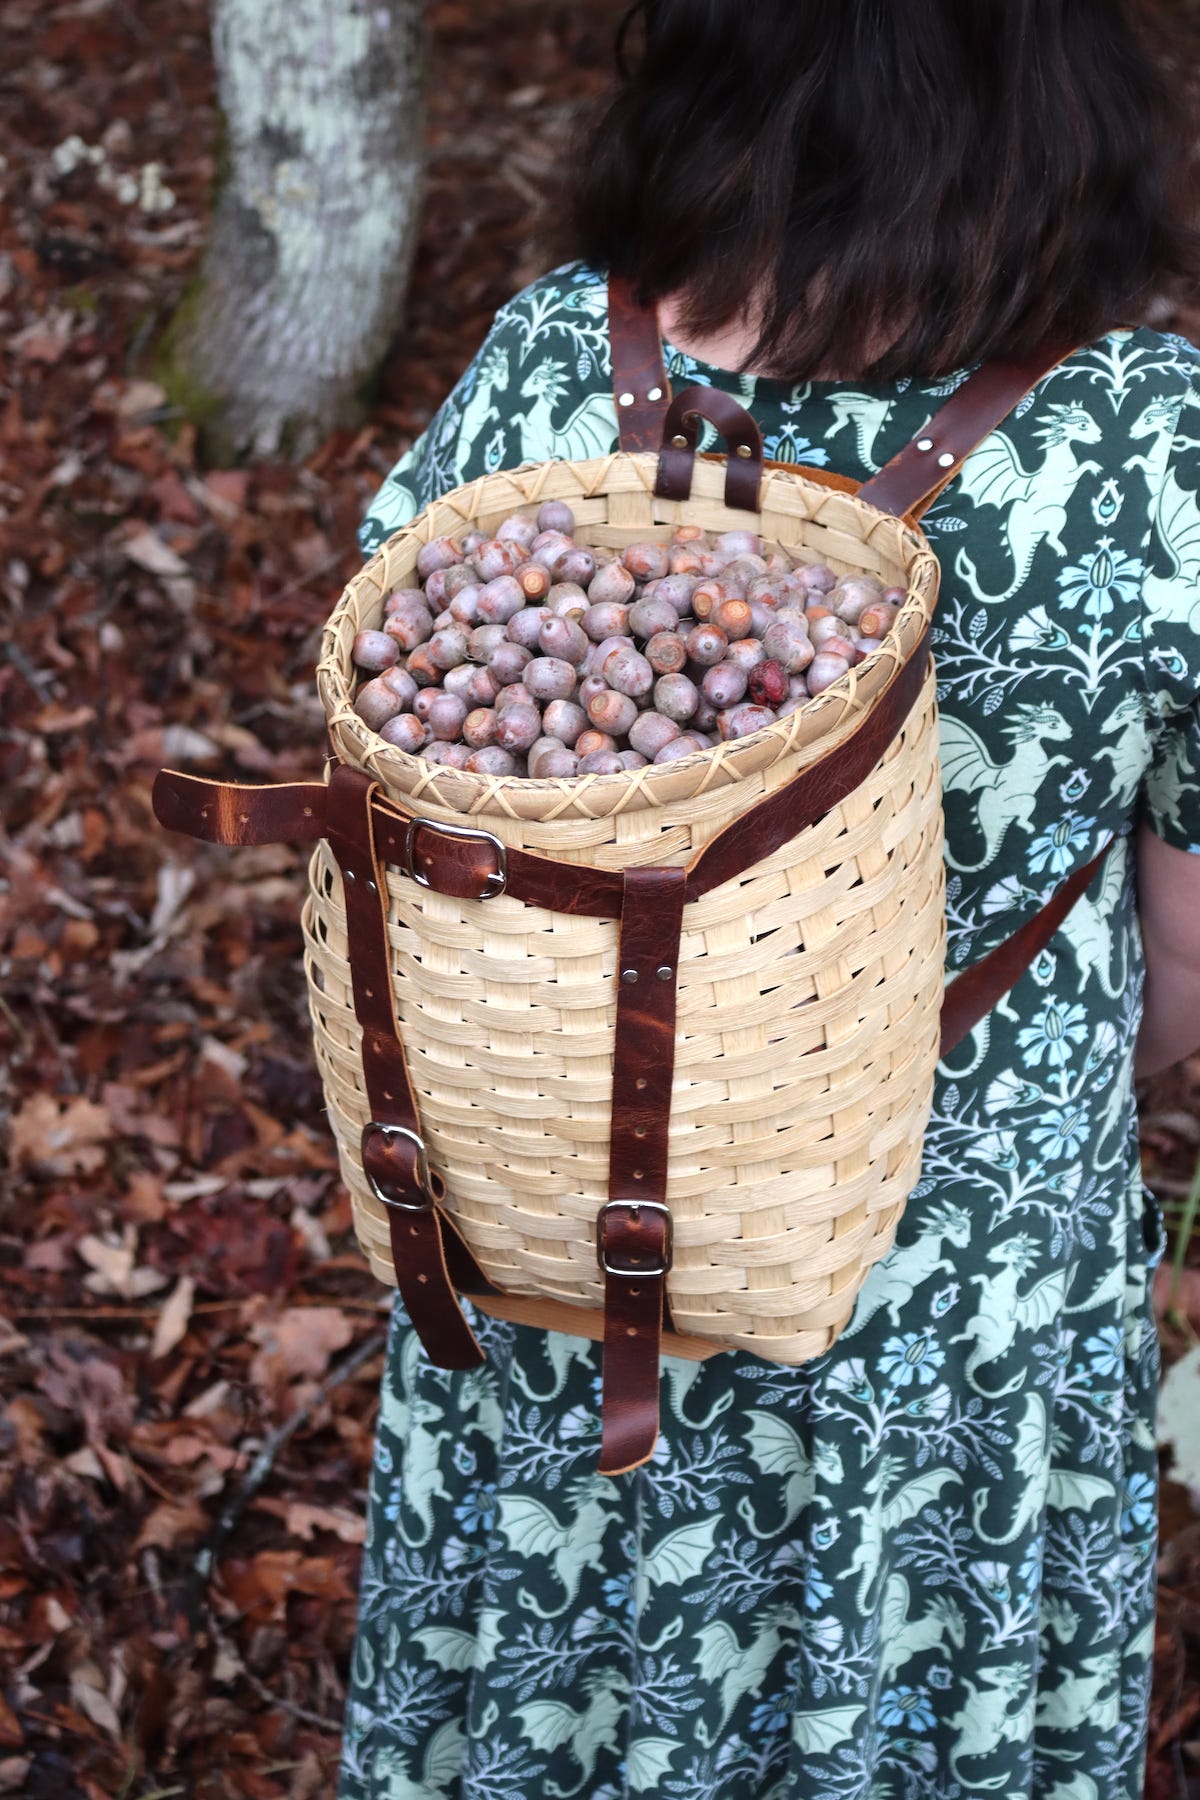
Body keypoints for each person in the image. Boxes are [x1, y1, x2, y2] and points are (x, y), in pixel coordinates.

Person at [337, 3, 1200, 1795]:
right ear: (1068, 97)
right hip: (948, 1279)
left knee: (565, 1660)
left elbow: (398, 784)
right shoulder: (1158, 450)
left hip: (570, 1205)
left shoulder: (550, 363)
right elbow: (1189, 961)